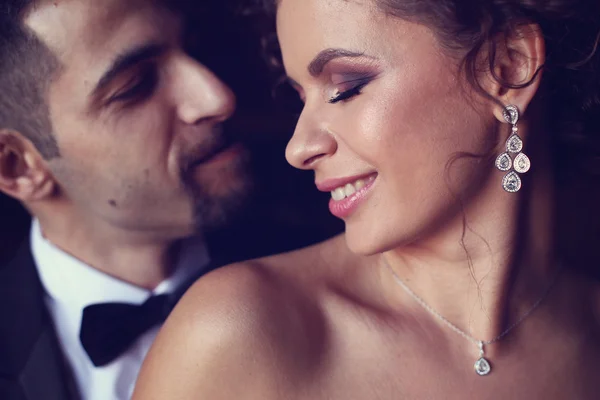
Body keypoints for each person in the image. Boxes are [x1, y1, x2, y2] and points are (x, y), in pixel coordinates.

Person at [134, 0, 600, 398]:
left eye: (345, 88)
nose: (299, 148)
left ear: (509, 66)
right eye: (300, 97)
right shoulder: (241, 331)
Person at [0, 0, 252, 399]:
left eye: (194, 47)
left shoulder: (328, 253)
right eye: (136, 86)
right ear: (18, 167)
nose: (217, 98)